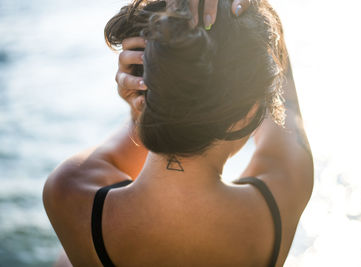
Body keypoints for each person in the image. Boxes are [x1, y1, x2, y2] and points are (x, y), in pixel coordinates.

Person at [43, 0, 314, 266]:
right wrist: (261, 10)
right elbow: (287, 106)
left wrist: (145, 99)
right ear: (248, 112)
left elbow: (143, 129)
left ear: (142, 83)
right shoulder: (282, 194)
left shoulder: (70, 193)